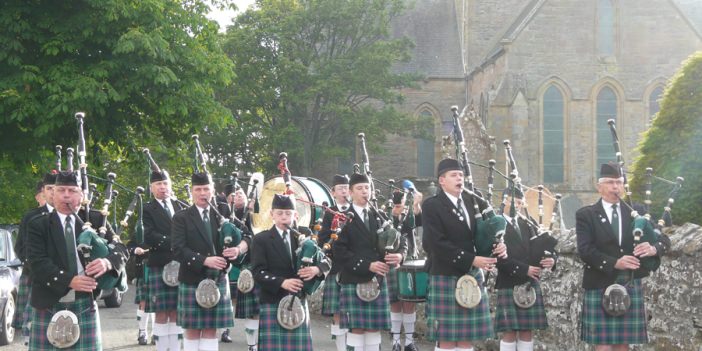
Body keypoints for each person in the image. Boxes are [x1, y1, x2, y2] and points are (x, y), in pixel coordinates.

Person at [27, 170, 125, 350]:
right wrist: (70, 281)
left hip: (85, 301)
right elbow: (36, 262)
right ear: (52, 194)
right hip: (49, 301)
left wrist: (107, 262)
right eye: (61, 190)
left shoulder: (96, 219)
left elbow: (120, 249)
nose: (66, 196)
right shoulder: (38, 224)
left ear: (81, 194)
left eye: (72, 191)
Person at [576, 163, 669, 351]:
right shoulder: (586, 214)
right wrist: (615, 263)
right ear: (598, 186)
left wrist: (653, 248)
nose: (615, 187)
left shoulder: (636, 211)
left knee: (623, 344)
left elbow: (663, 239)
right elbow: (585, 250)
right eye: (610, 182)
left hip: (629, 283)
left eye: (619, 182)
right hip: (599, 282)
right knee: (602, 346)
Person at [421, 158, 507, 351]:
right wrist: (472, 259)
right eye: (454, 175)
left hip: (471, 275)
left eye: (461, 175)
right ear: (442, 180)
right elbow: (435, 244)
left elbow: (487, 232)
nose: (459, 178)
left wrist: (499, 245)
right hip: (445, 273)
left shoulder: (474, 201)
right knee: (447, 340)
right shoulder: (432, 206)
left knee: (467, 338)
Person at [334, 173, 407, 351]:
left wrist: (400, 256)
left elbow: (401, 239)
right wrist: (368, 265)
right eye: (359, 188)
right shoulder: (342, 217)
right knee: (357, 329)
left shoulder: (379, 215)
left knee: (374, 329)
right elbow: (339, 251)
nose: (364, 191)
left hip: (377, 280)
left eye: (367, 188)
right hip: (354, 277)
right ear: (350, 192)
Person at [251, 194, 330, 350]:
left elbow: (326, 262)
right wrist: (282, 282)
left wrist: (316, 269)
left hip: (298, 301)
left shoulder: (306, 236)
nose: (284, 217)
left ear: (296, 215)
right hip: (273, 300)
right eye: (279, 213)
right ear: (272, 214)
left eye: (288, 213)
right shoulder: (262, 239)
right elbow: (258, 272)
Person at [172, 171, 236, 351]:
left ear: (212, 191)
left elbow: (246, 235)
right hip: (192, 277)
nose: (202, 193)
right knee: (192, 330)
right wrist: (204, 260)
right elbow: (178, 249)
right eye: (198, 189)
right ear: (191, 192)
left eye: (206, 189)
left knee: (210, 330)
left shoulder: (222, 213)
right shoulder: (181, 217)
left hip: (217, 279)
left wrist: (238, 248)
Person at [494, 187, 555, 351]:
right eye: (514, 202)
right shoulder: (496, 223)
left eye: (521, 203)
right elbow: (498, 259)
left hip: (529, 283)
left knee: (527, 331)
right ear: (504, 200)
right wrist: (525, 269)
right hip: (509, 281)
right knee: (509, 332)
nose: (518, 206)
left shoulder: (528, 222)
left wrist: (551, 259)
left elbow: (543, 247)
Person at [143, 165, 186, 351]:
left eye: (165, 183)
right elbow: (148, 235)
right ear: (151, 187)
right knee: (161, 311)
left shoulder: (181, 205)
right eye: (158, 184)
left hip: (182, 263)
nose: (163, 187)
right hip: (159, 263)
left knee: (177, 310)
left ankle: (175, 348)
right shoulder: (147, 208)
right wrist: (175, 242)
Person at [14, 172, 57, 346]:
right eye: (50, 189)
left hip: (61, 277)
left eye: (57, 189)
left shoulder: (75, 217)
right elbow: (20, 247)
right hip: (34, 274)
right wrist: (36, 266)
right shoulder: (31, 217)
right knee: (32, 320)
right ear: (43, 193)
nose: (54, 193)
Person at [220, 185, 256, 349]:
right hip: (235, 262)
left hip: (254, 260)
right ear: (228, 201)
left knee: (255, 306)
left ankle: (256, 340)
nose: (239, 196)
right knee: (229, 298)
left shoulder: (255, 211)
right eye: (234, 195)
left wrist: (254, 210)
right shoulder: (227, 216)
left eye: (241, 193)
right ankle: (226, 329)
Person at [318, 174, 351, 351]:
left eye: (347, 187)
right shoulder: (329, 212)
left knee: (354, 312)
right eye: (341, 188)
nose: (344, 190)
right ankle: (341, 348)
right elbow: (322, 239)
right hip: (337, 266)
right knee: (338, 312)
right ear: (333, 192)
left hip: (354, 267)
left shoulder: (357, 209)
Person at [387, 188, 423, 351]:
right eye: (396, 205)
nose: (399, 207)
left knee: (409, 301)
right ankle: (395, 341)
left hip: (410, 260)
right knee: (395, 302)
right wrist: (394, 214)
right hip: (393, 260)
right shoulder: (387, 215)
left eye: (401, 204)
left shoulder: (409, 215)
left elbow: (418, 221)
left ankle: (409, 341)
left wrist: (415, 205)